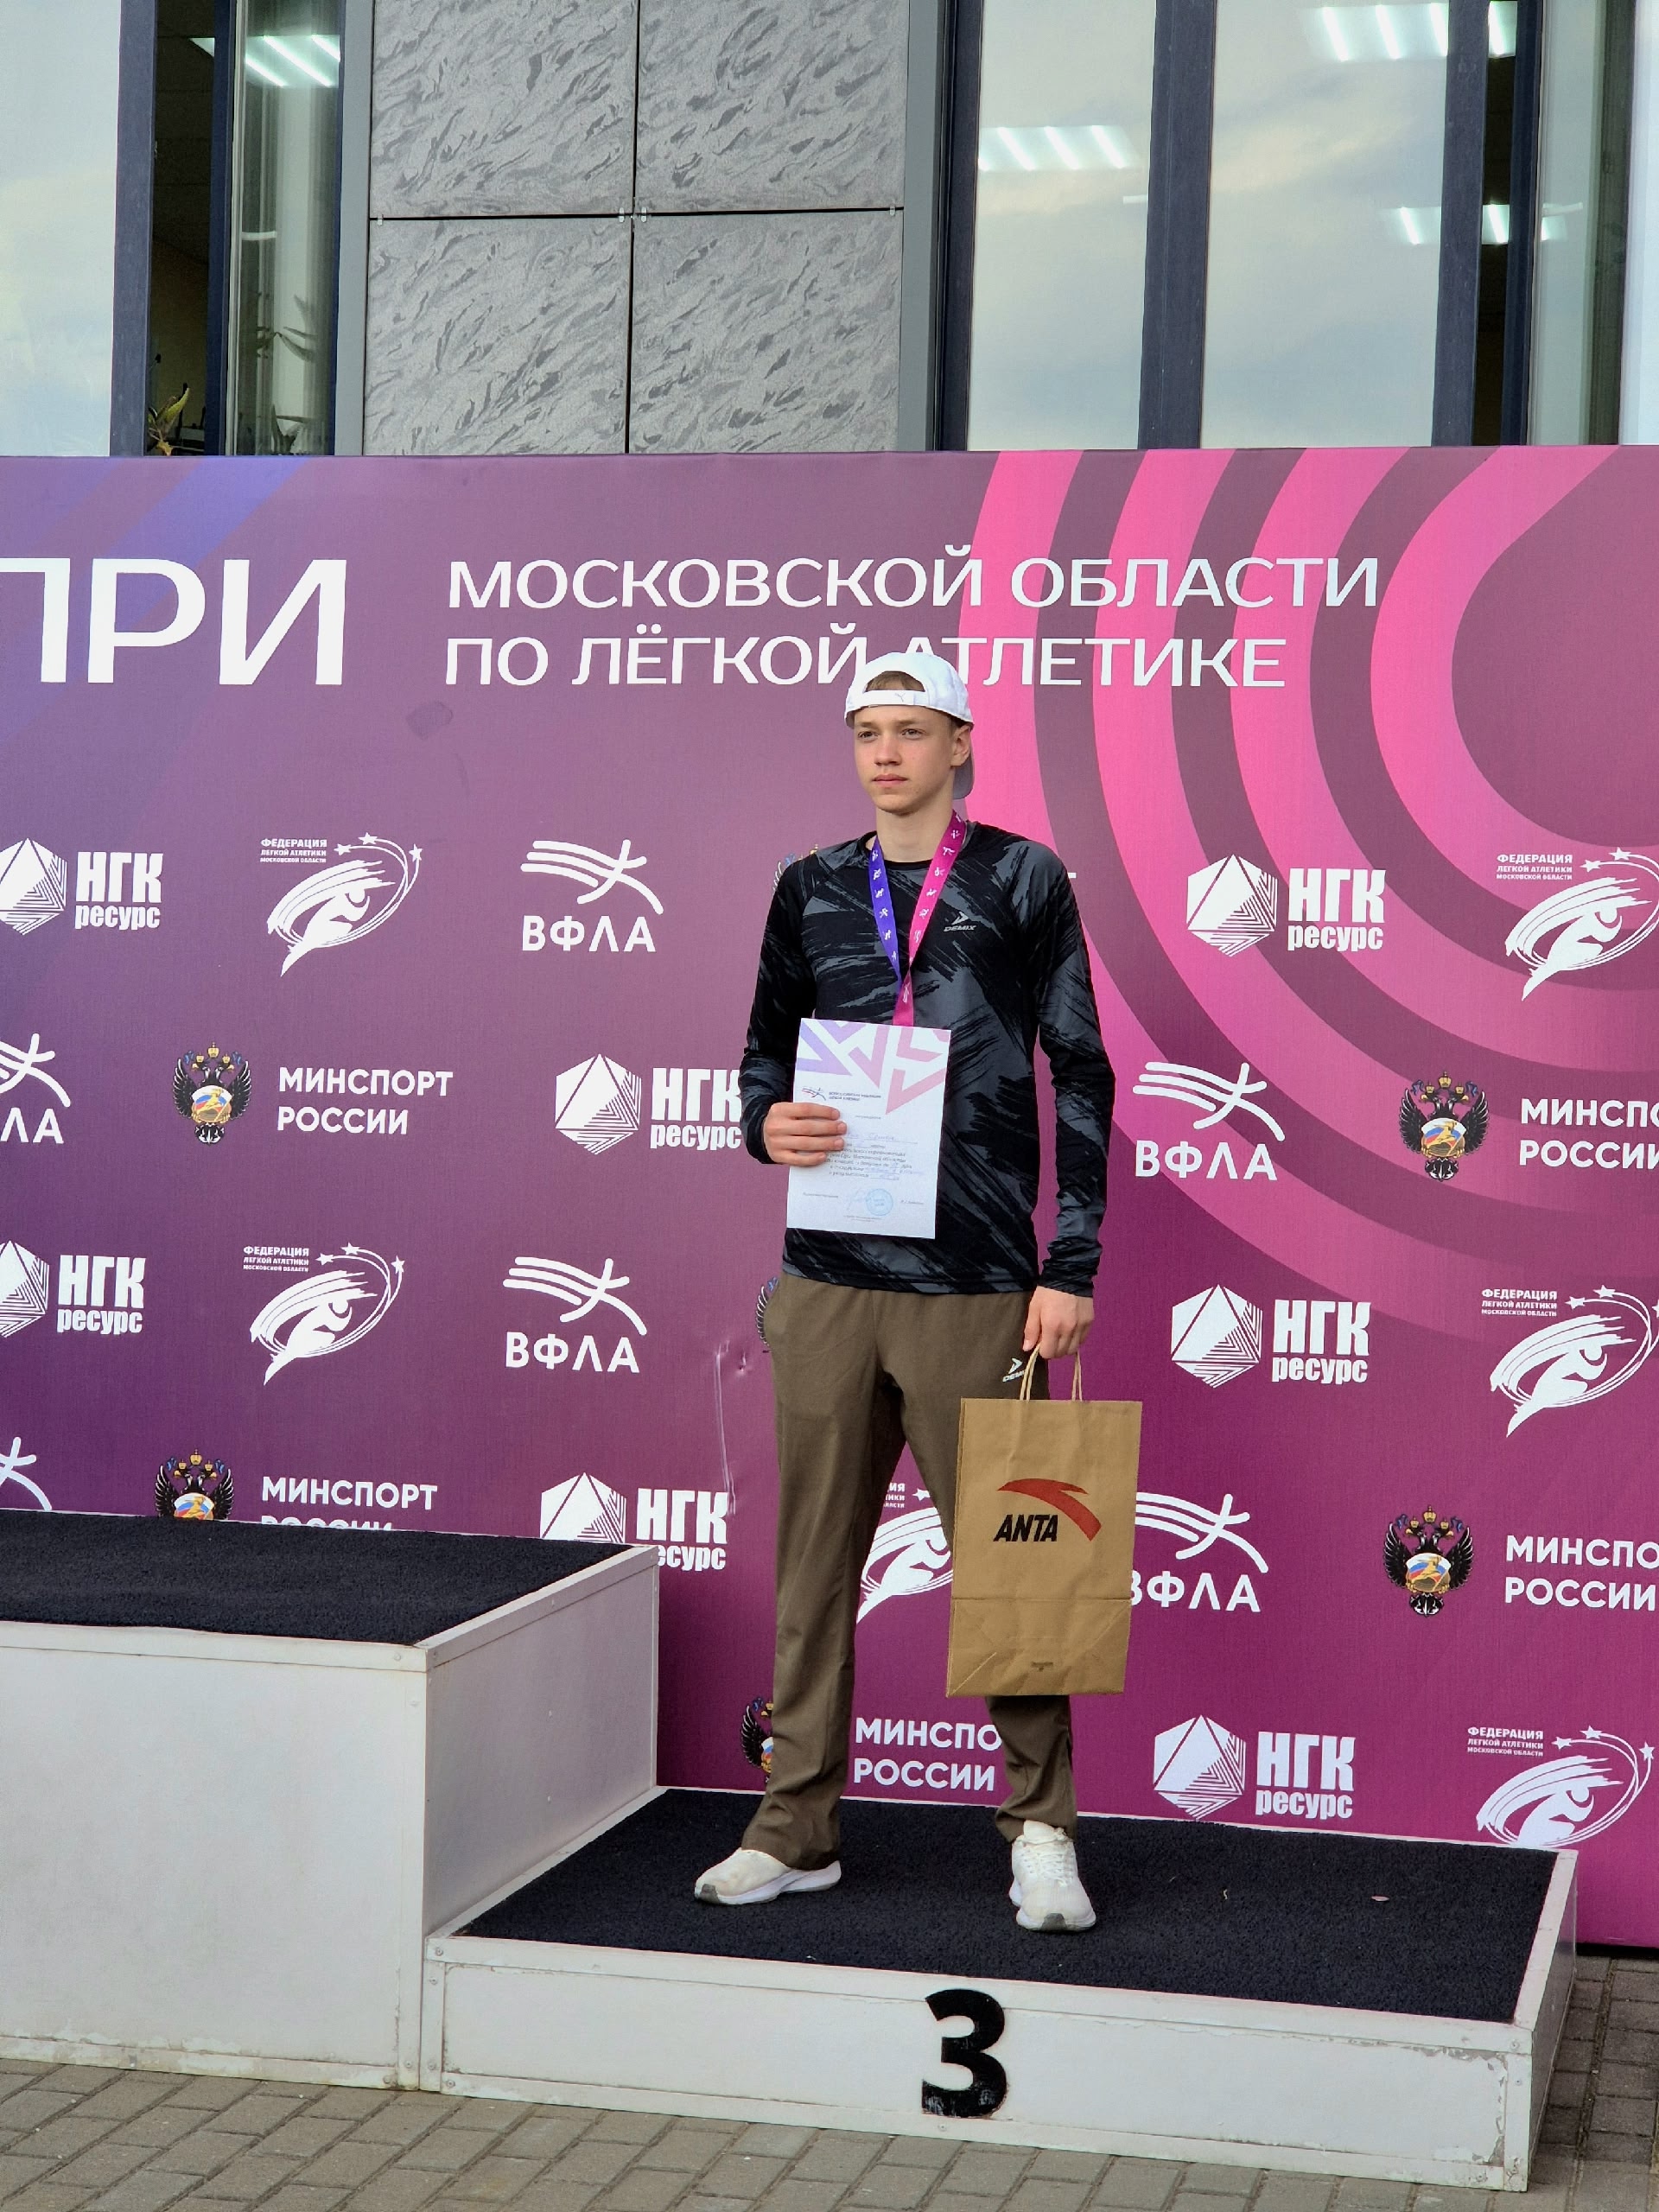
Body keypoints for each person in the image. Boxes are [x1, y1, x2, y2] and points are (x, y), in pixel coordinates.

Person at [695, 649, 1115, 1931]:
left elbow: (1081, 1068)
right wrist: (761, 1124)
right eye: (867, 730)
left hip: (977, 1280)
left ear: (961, 743)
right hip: (829, 1278)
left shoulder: (1024, 877)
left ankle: (1041, 1831)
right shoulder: (809, 884)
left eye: (913, 730)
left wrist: (1070, 1262)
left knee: (1017, 1560)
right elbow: (762, 1054)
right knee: (813, 1566)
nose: (886, 752)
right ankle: (796, 1826)